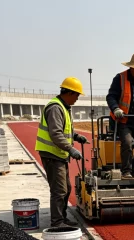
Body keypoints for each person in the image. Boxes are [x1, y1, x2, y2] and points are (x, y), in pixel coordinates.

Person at [35, 77, 87, 227]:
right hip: (52, 154)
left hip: (59, 154)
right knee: (59, 190)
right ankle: (57, 222)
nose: (77, 99)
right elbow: (56, 133)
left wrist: (76, 136)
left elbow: (64, 130)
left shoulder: (64, 107)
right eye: (77, 95)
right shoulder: (56, 108)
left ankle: (62, 218)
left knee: (66, 188)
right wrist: (71, 149)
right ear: (69, 93)